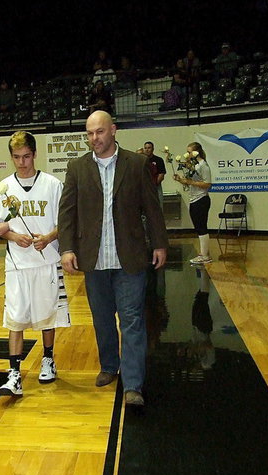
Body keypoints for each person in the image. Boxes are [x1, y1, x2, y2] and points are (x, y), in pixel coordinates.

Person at [58, 111, 168, 407]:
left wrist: (159, 243)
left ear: (113, 131)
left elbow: (152, 207)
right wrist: (67, 248)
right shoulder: (77, 167)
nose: (95, 138)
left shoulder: (137, 164)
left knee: (132, 319)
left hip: (130, 257)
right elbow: (67, 212)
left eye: (100, 132)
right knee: (102, 319)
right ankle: (109, 366)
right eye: (90, 133)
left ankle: (133, 384)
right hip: (93, 260)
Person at [0, 131, 70, 397]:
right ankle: (14, 373)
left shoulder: (52, 184)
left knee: (47, 313)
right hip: (17, 262)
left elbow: (65, 222)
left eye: (26, 156)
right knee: (15, 317)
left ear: (35, 154)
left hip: (47, 260)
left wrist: (48, 237)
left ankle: (48, 359)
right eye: (16, 157)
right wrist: (14, 235)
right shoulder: (3, 187)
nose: (22, 162)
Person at [174, 141, 213, 264]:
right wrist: (181, 180)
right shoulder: (194, 167)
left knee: (202, 227)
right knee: (198, 227)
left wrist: (190, 182)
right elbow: (191, 182)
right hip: (194, 199)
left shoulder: (203, 166)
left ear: (196, 152)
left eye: (189, 152)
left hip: (201, 199)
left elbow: (207, 184)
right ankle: (204, 252)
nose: (187, 154)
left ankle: (205, 255)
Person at [143, 141, 166, 207]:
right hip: (144, 188)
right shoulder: (140, 161)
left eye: (149, 148)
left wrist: (153, 185)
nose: (147, 150)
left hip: (156, 187)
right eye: (145, 148)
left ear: (153, 149)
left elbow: (161, 175)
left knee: (158, 207)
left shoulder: (159, 160)